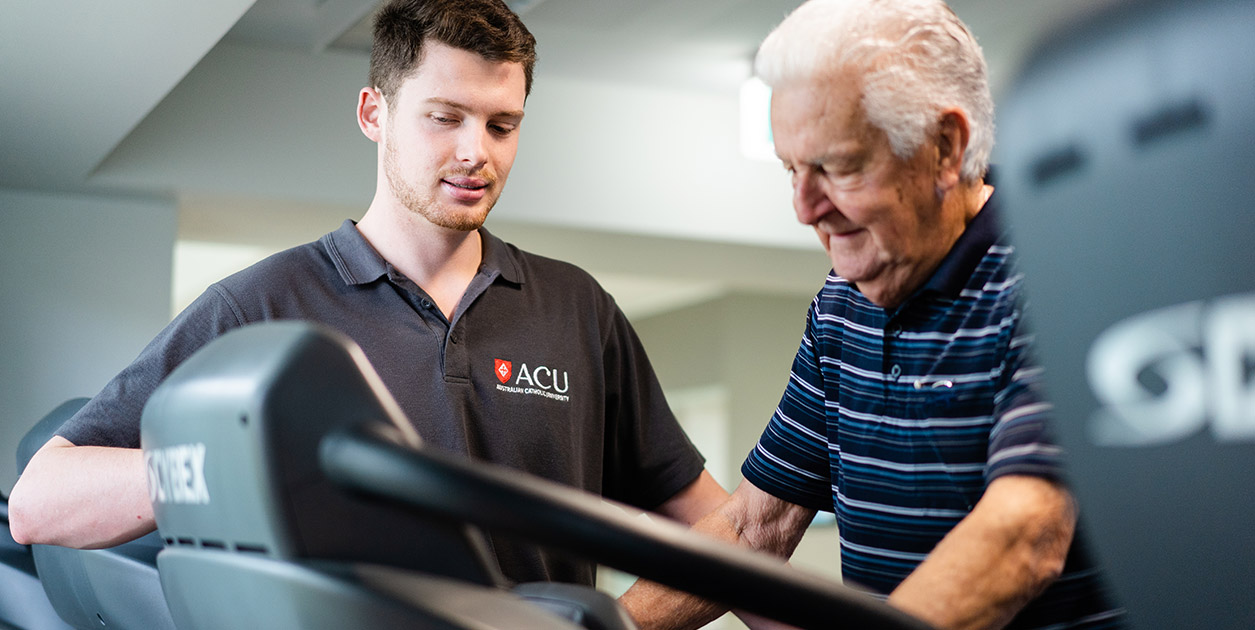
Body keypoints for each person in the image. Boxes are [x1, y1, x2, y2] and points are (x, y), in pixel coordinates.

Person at [8, 0, 726, 588]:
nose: (477, 151)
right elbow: (42, 501)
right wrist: (242, 462)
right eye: (444, 117)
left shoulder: (575, 308)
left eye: (502, 125)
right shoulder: (260, 306)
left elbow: (717, 528)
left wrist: (629, 622)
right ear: (373, 113)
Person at [618, 1, 1127, 628]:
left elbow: (1022, 538)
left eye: (837, 166)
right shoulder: (842, 305)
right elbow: (754, 527)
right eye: (791, 170)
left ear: (945, 148)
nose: (805, 209)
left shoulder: (1059, 279)